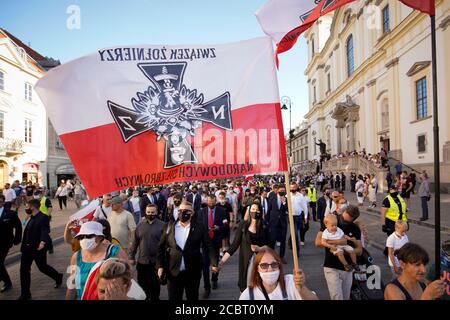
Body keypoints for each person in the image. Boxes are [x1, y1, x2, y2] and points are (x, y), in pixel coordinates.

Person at [157, 201, 219, 301]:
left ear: (192, 213)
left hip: (193, 271)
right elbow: (160, 247)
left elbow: (209, 246)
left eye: (186, 211)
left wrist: (214, 263)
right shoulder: (168, 227)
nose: (182, 213)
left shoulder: (200, 227)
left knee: (193, 296)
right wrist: (160, 266)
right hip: (173, 271)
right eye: (180, 210)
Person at [65, 221, 127, 300]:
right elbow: (72, 285)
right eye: (81, 237)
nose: (84, 239)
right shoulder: (76, 256)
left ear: (100, 237)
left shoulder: (114, 252)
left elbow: (127, 280)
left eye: (89, 236)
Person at [315, 205, 363, 300]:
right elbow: (318, 242)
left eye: (346, 221)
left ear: (352, 220)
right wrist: (338, 242)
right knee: (337, 297)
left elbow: (360, 251)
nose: (342, 222)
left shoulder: (355, 229)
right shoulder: (331, 222)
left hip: (348, 270)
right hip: (331, 267)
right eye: (342, 218)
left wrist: (345, 250)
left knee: (345, 297)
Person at [220, 202, 270, 292]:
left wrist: (260, 248)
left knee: (260, 288)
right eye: (253, 209)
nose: (255, 212)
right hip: (246, 261)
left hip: (260, 262)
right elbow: (235, 245)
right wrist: (222, 261)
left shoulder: (264, 226)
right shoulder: (243, 225)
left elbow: (269, 247)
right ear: (249, 211)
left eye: (257, 210)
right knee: (245, 288)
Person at [19, 199, 63, 300]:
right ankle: (25, 294)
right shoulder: (32, 217)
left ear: (32, 207)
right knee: (24, 270)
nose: (25, 208)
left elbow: (45, 230)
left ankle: (57, 277)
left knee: (42, 267)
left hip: (38, 248)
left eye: (27, 206)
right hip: (27, 249)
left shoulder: (43, 217)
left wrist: (42, 242)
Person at [239, 246, 317, 300]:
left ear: (279, 266)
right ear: (257, 269)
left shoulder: (290, 282)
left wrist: (301, 288)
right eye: (264, 265)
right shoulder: (248, 295)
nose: (270, 269)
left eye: (274, 264)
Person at [129, 204, 165, 300]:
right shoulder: (140, 226)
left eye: (153, 212)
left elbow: (166, 244)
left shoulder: (162, 226)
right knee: (142, 284)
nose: (150, 214)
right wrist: (132, 257)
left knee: (155, 286)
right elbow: (135, 243)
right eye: (148, 212)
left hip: (155, 262)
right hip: (142, 261)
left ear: (156, 212)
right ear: (145, 212)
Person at [199, 194, 228, 297]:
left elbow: (225, 224)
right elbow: (198, 226)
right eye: (209, 202)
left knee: (215, 265)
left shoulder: (222, 211)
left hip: (216, 242)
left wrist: (219, 228)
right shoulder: (201, 212)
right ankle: (207, 288)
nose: (211, 204)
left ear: (216, 201)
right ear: (206, 202)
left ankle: (214, 279)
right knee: (205, 266)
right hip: (205, 243)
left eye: (212, 202)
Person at [0, 195, 22, 293]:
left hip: (5, 242)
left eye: (0, 201)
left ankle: (7, 282)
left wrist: (17, 239)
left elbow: (18, 227)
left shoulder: (10, 214)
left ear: (3, 202)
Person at [267, 185, 288, 264]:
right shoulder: (272, 198)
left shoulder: (286, 199)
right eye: (281, 190)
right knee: (272, 239)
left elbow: (288, 209)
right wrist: (267, 221)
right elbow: (269, 210)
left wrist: (284, 202)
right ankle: (272, 256)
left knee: (283, 240)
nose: (282, 192)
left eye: (283, 190)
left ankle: (281, 256)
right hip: (273, 222)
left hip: (282, 222)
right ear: (277, 190)